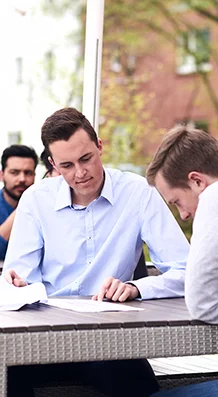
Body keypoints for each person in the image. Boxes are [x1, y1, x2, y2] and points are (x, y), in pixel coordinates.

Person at [3, 108, 189, 397]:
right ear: (52, 163)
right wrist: (17, 287)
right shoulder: (35, 200)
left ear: (99, 146)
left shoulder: (138, 193)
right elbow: (17, 280)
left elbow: (187, 270)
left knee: (140, 388)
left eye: (86, 158)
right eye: (66, 165)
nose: (80, 173)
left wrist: (135, 288)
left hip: (107, 339)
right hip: (41, 337)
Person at [146, 125, 218, 397]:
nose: (183, 215)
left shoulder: (217, 197)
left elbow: (203, 304)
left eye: (176, 201)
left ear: (197, 181)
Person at [0, 144, 38, 260]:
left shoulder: (42, 207)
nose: (22, 179)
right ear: (2, 175)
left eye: (28, 173)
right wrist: (24, 205)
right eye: (14, 172)